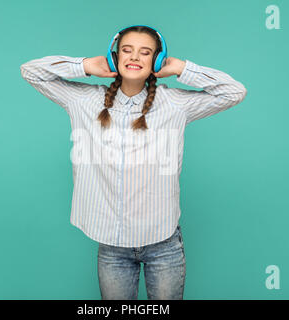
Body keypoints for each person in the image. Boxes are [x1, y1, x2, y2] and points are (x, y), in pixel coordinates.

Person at [20, 25, 247, 300]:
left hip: (164, 244)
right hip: (112, 248)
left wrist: (181, 68)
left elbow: (233, 92)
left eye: (146, 52)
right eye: (127, 50)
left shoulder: (174, 103)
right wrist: (86, 66)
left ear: (157, 60)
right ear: (115, 57)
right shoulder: (84, 100)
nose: (135, 57)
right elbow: (31, 71)